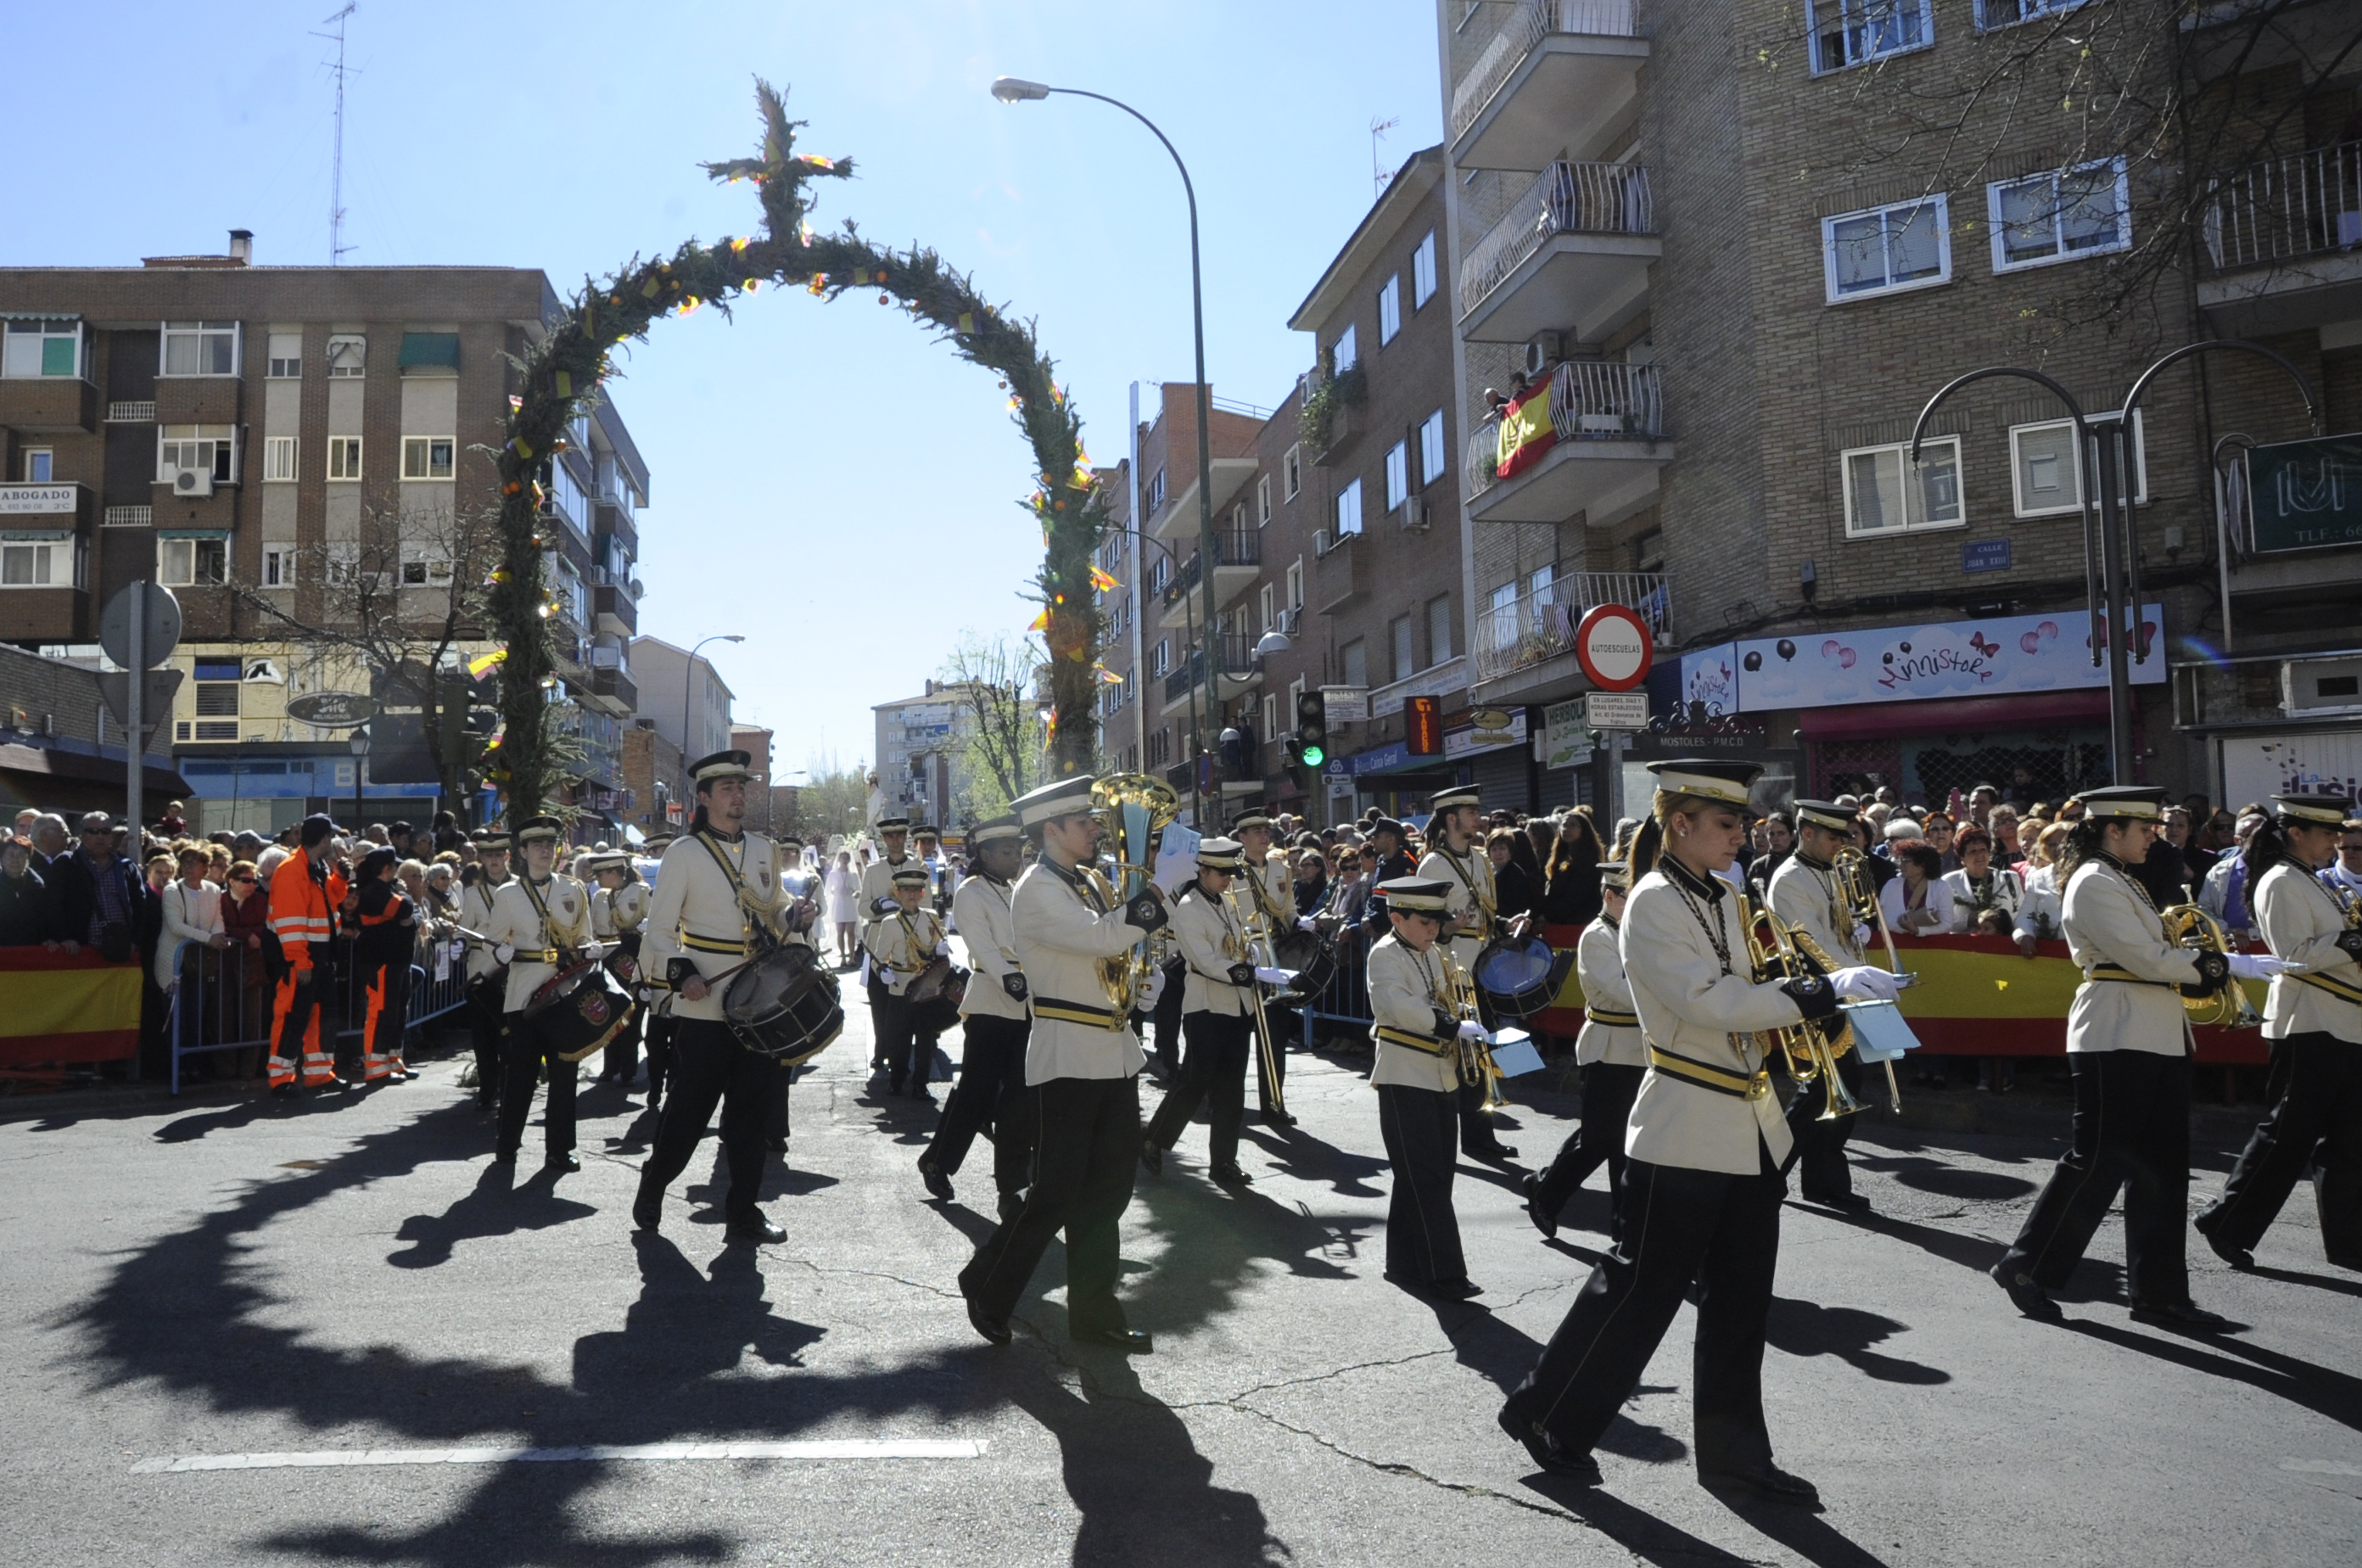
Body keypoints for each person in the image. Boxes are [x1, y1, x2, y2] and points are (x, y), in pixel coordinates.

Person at [1500, 759, 1896, 1500]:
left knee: (1741, 1302)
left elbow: (1750, 987)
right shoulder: (1653, 901)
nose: (1742, 834)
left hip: (1751, 1124)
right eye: (1727, 823)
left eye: (1741, 822)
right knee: (1640, 1289)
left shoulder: (1725, 893)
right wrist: (1817, 989)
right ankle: (1545, 1412)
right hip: (1684, 1120)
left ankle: (1734, 1456)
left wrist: (1823, 985)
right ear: (1680, 824)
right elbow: (1708, 1001)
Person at [1990, 786, 2275, 1329]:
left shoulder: (2123, 878)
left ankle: (2158, 1292)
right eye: (2144, 829)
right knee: (2099, 1158)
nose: (2154, 838)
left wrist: (2212, 961)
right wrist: (2223, 965)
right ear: (2112, 830)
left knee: (2163, 1168)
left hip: (2156, 1030)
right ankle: (2026, 1266)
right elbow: (2145, 957)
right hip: (2116, 1031)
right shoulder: (2094, 881)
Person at [958, 774, 1171, 1352]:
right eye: (1084, 822)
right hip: (1068, 1055)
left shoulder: (1091, 880)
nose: (1096, 829)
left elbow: (1115, 950)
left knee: (1109, 1192)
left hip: (1114, 1052)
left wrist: (1142, 981)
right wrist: (1161, 889)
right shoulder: (1036, 889)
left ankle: (1094, 1316)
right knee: (1054, 1192)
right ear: (1051, 830)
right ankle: (988, 1287)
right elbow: (1100, 937)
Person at [634, 750, 796, 1243]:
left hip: (758, 999)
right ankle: (655, 1182)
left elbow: (776, 907)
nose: (738, 794)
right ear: (703, 798)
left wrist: (794, 920)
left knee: (751, 1114)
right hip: (705, 1000)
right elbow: (659, 931)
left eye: (741, 786)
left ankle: (744, 1213)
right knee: (689, 1110)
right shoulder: (684, 853)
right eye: (726, 788)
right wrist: (681, 973)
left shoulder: (764, 848)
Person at [2196, 793, 2362, 1272]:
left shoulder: (2311, 879)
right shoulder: (2281, 880)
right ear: (2296, 833)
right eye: (2327, 833)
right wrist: (2353, 940)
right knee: (2289, 1135)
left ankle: (2349, 1241)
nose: (2335, 842)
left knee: (2350, 1138)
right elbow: (2296, 954)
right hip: (2308, 1023)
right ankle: (2227, 1221)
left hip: (2343, 1021)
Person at [1365, 876, 1484, 1299]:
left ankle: (1402, 1262)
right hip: (1403, 1075)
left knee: (1425, 1175)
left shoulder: (1432, 953)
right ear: (1397, 918)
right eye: (1425, 921)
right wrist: (1451, 1024)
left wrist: (1463, 1015)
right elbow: (1401, 1006)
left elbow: (1443, 998)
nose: (1434, 929)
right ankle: (1444, 1274)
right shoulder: (1384, 955)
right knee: (1426, 1177)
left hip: (1440, 1073)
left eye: (1437, 921)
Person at [1143, 837, 1285, 1188]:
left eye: (1230, 874)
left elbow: (1239, 945)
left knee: (1232, 1089)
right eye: (1221, 874)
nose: (1227, 880)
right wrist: (1246, 972)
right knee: (1193, 1083)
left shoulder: (1226, 902)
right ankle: (1153, 1140)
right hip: (1206, 1007)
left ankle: (1223, 1161)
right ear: (1202, 871)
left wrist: (1256, 960)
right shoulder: (1189, 907)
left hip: (1237, 1006)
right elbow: (1203, 960)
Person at [920, 815, 1034, 1218]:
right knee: (976, 1093)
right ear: (984, 854)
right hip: (991, 1001)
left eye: (1018, 851)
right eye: (1006, 852)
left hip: (1027, 1003)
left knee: (1020, 1096)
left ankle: (1012, 1186)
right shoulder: (971, 892)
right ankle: (937, 1161)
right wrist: (1011, 979)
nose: (1015, 858)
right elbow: (982, 947)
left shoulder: (1016, 889)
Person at [1523, 863, 1643, 1243]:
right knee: (1599, 1139)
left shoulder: (1637, 931)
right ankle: (1546, 1192)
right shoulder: (1597, 936)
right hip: (1608, 1048)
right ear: (1610, 896)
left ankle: (1625, 1229)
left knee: (1627, 1143)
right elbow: (1619, 990)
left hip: (1639, 1049)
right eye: (1630, 896)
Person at [1766, 800, 1878, 1210]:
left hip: (1841, 985)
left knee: (1838, 1087)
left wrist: (1858, 931)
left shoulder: (1830, 871)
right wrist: (1854, 978)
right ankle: (1767, 1174)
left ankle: (1822, 1182)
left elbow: (1837, 930)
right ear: (1808, 833)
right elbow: (1808, 944)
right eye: (1833, 837)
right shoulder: (1789, 879)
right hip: (1817, 989)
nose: (1840, 844)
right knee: (1821, 1089)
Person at [483, 816, 601, 1169]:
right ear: (522, 852)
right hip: (525, 994)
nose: (545, 850)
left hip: (563, 992)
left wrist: (591, 947)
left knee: (565, 1074)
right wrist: (500, 952)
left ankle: (559, 1149)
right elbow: (492, 940)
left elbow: (584, 935)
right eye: (537, 845)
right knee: (521, 1074)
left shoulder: (573, 889)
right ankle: (507, 1145)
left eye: (550, 845)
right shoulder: (508, 894)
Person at [1418, 786, 1519, 1162]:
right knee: (1461, 1054)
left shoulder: (1479, 858)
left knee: (1482, 1049)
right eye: (1471, 813)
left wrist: (1506, 923)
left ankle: (1480, 1135)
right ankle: (1461, 1136)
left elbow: (1487, 912)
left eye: (1478, 811)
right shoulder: (1434, 864)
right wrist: (1448, 926)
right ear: (1451, 819)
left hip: (1483, 966)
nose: (1479, 818)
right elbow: (1423, 919)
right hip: (1452, 970)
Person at [1229, 810, 1298, 1127]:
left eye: (1266, 831)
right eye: (1256, 831)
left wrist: (1300, 924)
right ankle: (1228, 1102)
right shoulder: (1232, 871)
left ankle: (1274, 1103)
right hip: (1244, 955)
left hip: (1275, 957)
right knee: (1237, 1040)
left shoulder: (1281, 869)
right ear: (1242, 837)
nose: (1264, 836)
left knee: (1275, 1039)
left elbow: (1288, 910)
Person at [865, 865, 952, 1100]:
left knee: (926, 1041)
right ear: (898, 893)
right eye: (906, 890)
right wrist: (883, 972)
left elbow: (940, 946)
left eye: (916, 890)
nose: (911, 894)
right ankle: (897, 1080)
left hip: (926, 989)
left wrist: (942, 950)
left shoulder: (931, 917)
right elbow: (879, 958)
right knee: (898, 1040)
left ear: (923, 893)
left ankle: (921, 1084)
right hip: (900, 988)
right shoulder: (889, 922)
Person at [859, 816, 924, 1072]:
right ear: (884, 839)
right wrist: (879, 906)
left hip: (911, 945)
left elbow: (928, 906)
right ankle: (881, 1049)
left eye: (899, 835)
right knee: (879, 1002)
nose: (895, 840)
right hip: (879, 943)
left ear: (906, 837)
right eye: (890, 836)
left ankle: (907, 1052)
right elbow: (862, 908)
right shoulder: (874, 870)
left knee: (912, 1001)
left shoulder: (918, 866)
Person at [352, 846, 419, 1084]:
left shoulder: (387, 889)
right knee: (381, 1012)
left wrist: (411, 916)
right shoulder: (374, 891)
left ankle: (393, 1060)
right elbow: (405, 909)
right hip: (381, 960)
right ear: (387, 868)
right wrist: (407, 900)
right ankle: (375, 1067)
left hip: (398, 960)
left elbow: (413, 916)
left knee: (397, 1012)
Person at [459, 832, 512, 1114]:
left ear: (507, 856)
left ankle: (508, 1086)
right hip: (481, 970)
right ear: (481, 858)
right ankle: (487, 1089)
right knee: (483, 1034)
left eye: (499, 855)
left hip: (513, 971)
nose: (494, 860)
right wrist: (459, 943)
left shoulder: (521, 888)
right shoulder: (472, 893)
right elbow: (465, 928)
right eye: (488, 855)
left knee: (510, 1033)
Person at [587, 852, 649, 1087]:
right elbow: (593, 929)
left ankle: (628, 1070)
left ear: (614, 872)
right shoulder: (600, 897)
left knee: (632, 1015)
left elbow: (657, 922)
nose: (598, 880)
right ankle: (609, 1066)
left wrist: (647, 926)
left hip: (631, 961)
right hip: (606, 962)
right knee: (609, 1016)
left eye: (601, 874)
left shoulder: (641, 892)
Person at [0, 836, 68, 949]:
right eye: (10, 854)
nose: (15, 859)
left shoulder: (40, 887)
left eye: (21, 855)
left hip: (33, 952)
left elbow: (49, 921)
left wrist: (48, 938)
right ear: (1, 858)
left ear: (28, 859)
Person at [1880, 840, 1949, 933]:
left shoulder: (1941, 887)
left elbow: (1947, 924)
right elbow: (1884, 923)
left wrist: (1918, 930)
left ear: (1923, 864)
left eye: (1906, 861)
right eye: (1900, 860)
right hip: (1897, 941)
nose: (1901, 865)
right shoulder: (1891, 886)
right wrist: (1906, 927)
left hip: (1934, 942)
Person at [1487, 827, 1542, 925]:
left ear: (1510, 851)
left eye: (1502, 849)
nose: (1498, 853)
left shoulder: (1515, 875)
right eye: (1494, 849)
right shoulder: (1488, 871)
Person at [826, 849, 859, 966]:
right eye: (843, 858)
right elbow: (828, 890)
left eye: (846, 858)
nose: (844, 860)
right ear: (839, 860)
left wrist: (853, 893)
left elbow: (858, 890)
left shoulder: (853, 875)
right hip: (838, 903)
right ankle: (843, 957)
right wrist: (835, 891)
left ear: (849, 860)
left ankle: (852, 957)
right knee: (840, 931)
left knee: (851, 932)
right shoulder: (833, 874)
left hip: (849, 903)